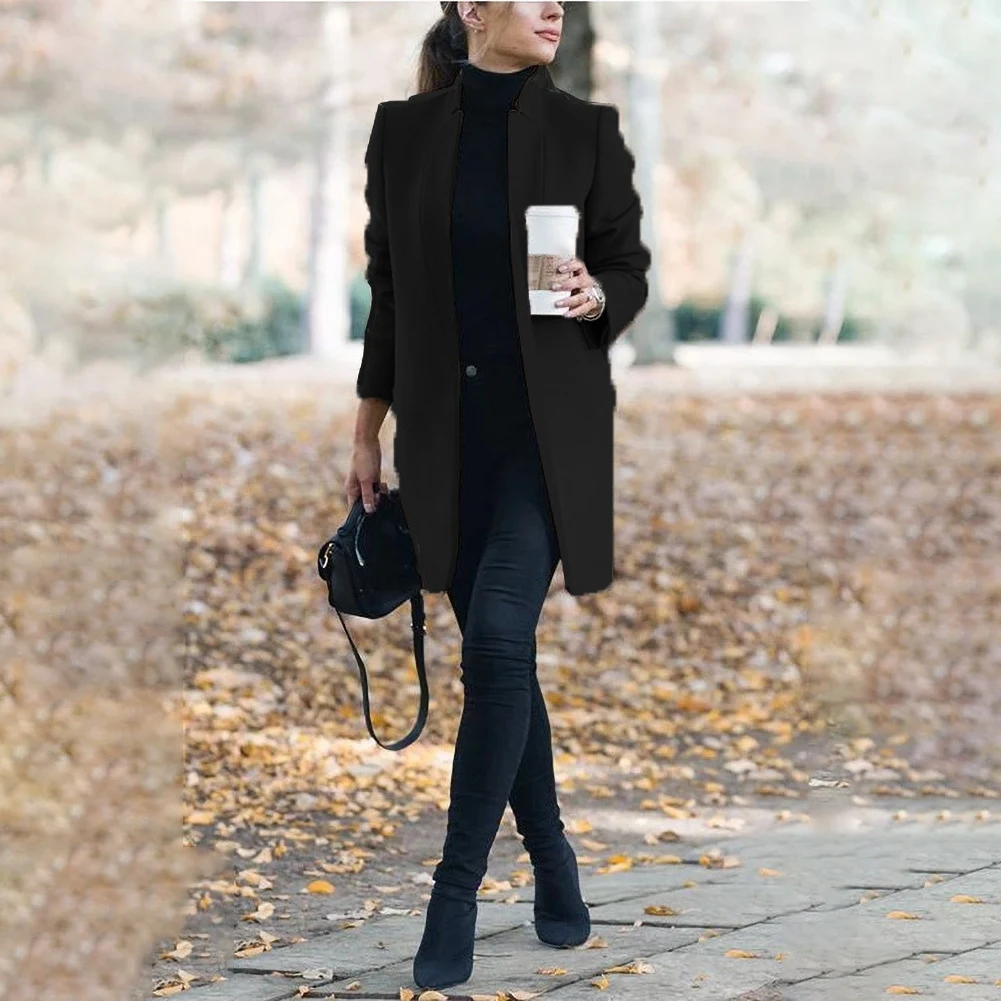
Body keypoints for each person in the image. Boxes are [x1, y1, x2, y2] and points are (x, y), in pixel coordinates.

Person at [345, 1, 650, 991]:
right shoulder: (403, 134)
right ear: (473, 9)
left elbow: (627, 269)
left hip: (544, 447)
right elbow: (388, 292)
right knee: (500, 652)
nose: (553, 6)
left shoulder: (584, 131)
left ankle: (454, 893)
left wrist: (596, 295)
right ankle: (553, 859)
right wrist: (366, 430)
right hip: (445, 444)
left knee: (495, 642)